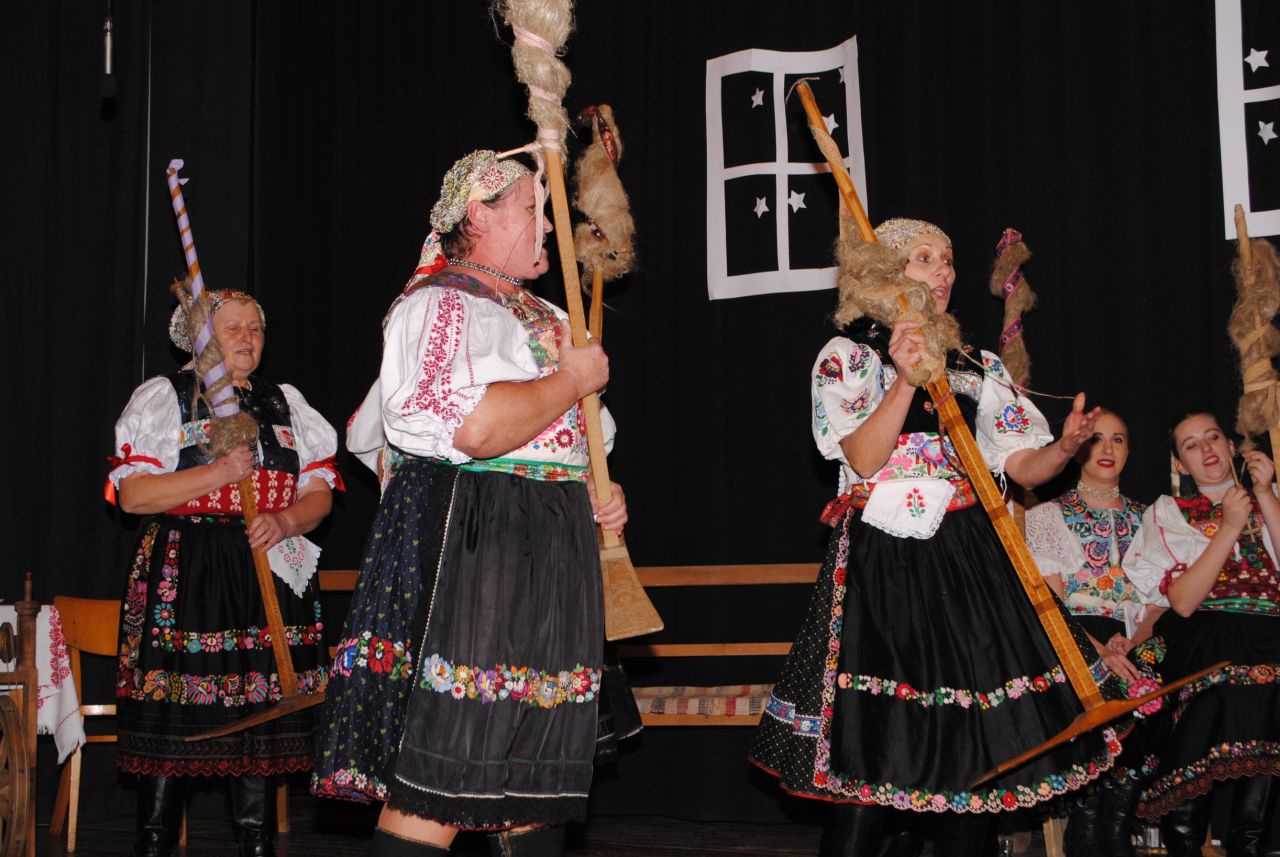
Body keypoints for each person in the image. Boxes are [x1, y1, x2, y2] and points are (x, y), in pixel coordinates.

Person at [749, 218, 1123, 857]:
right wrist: (904, 376)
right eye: (925, 258)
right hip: (886, 562)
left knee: (979, 752)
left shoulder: (976, 364)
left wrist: (1064, 448)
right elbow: (863, 458)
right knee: (877, 750)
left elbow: (1021, 465)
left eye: (948, 259)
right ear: (888, 271)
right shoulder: (850, 354)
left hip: (971, 561)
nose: (944, 271)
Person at [312, 150, 626, 857]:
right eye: (533, 209)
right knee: (447, 770)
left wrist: (599, 490)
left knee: (535, 784)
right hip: (477, 543)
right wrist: (572, 379)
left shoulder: (547, 315)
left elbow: (579, 441)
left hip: (551, 547)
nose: (550, 226)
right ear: (478, 215)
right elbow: (475, 429)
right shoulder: (440, 304)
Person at [107, 289, 339, 857]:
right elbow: (133, 496)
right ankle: (155, 843)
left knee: (260, 721)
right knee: (175, 722)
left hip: (267, 570)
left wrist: (286, 520)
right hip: (190, 574)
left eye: (255, 328)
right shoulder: (167, 396)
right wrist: (217, 474)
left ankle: (256, 843)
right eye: (233, 327)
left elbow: (319, 493)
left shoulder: (284, 403)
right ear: (202, 338)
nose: (247, 337)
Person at [1123, 412, 1280, 857]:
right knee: (1223, 678)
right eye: (1192, 445)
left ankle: (1248, 838)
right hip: (1206, 629)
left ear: (1232, 447)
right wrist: (1229, 526)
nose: (1207, 449)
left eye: (1213, 437)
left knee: (1269, 676)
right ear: (1181, 464)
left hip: (1270, 629)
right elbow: (1184, 602)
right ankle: (1186, 831)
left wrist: (1265, 493)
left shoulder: (1270, 498)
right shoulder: (1171, 512)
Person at [1026, 409, 1164, 857]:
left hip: (1137, 636)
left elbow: (1161, 600)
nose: (1107, 449)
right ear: (1078, 449)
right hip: (1076, 638)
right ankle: (1087, 827)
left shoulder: (1155, 518)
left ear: (1129, 451)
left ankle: (1117, 825)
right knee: (1098, 685)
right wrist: (1101, 650)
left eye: (1118, 439)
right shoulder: (1048, 516)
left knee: (1156, 668)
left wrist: (1133, 640)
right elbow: (1052, 606)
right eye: (1096, 439)